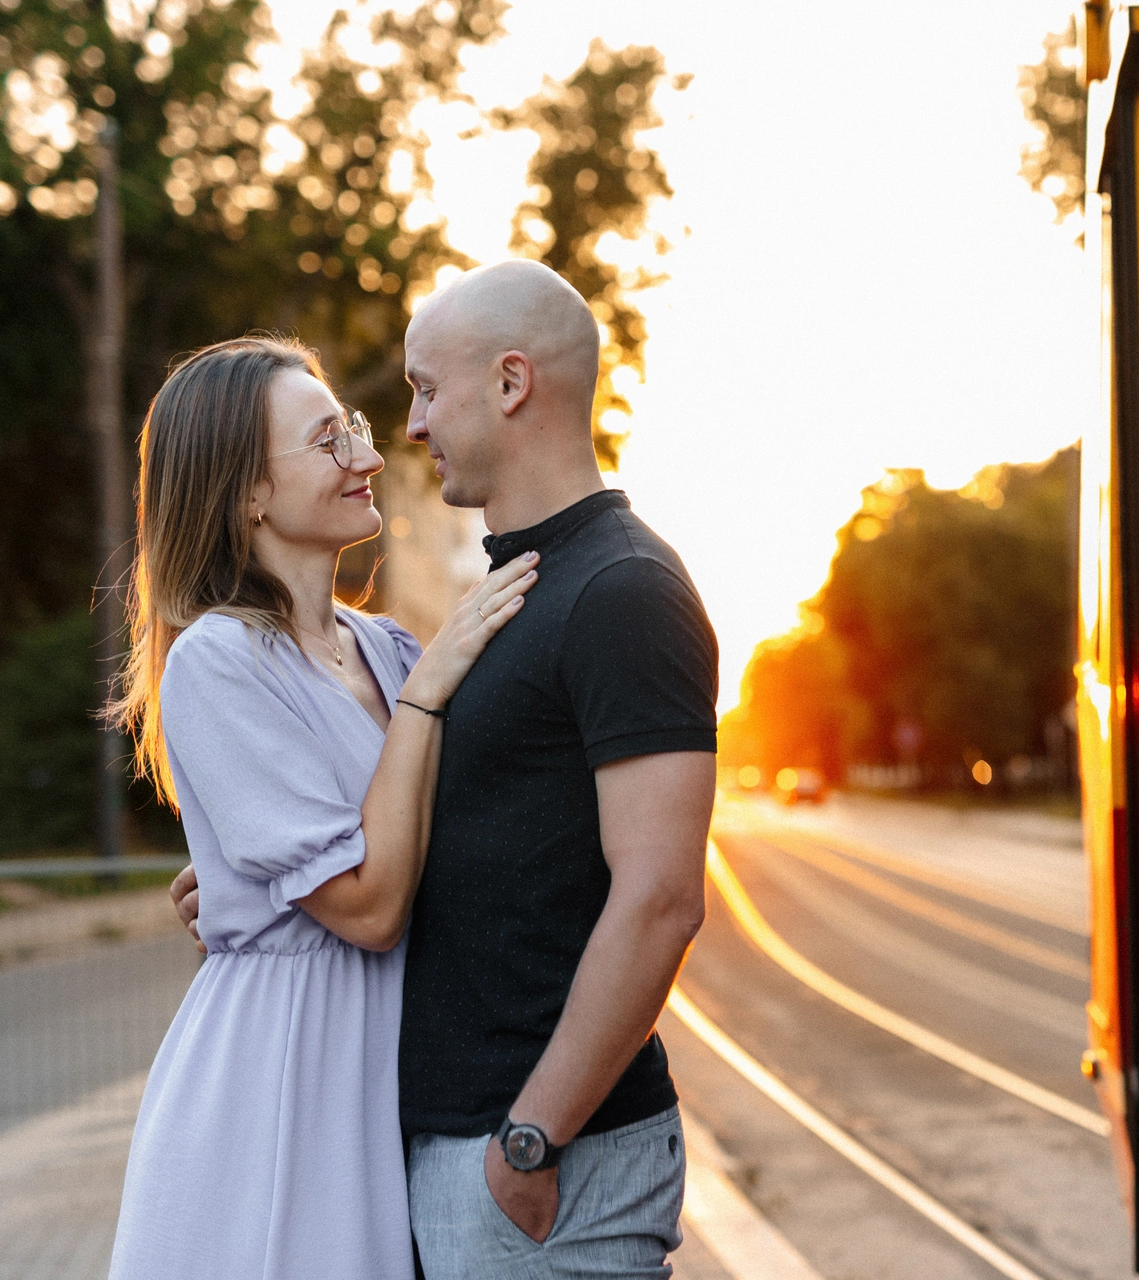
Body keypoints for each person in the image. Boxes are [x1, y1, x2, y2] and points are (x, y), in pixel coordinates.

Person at [173, 261, 720, 1278]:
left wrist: (532, 1137)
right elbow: (429, 817)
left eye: (424, 390)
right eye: (334, 435)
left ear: (511, 383)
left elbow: (661, 899)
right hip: (399, 1137)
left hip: (530, 1160)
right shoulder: (493, 607)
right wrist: (255, 874)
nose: (404, 431)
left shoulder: (620, 589)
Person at [106, 336, 538, 1280]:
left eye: (355, 427)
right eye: (328, 440)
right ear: (247, 494)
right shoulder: (219, 659)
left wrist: (246, 878)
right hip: (284, 1081)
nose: (369, 456)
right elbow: (372, 910)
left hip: (387, 1072)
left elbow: (456, 840)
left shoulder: (387, 650)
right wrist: (430, 694)